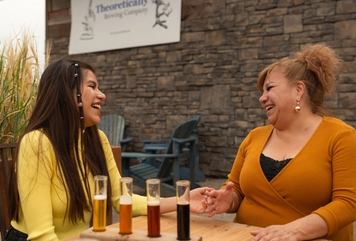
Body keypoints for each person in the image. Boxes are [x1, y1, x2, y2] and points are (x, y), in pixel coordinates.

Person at [6, 59, 208, 241]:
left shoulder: (97, 140)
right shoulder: (37, 143)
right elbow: (41, 236)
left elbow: (121, 199)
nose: (102, 96)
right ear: (69, 93)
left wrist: (184, 199)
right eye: (92, 86)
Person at [203, 44, 356, 241]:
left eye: (269, 88)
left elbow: (349, 203)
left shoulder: (341, 137)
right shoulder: (254, 136)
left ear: (299, 90)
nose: (261, 98)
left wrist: (295, 230)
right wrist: (227, 200)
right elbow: (236, 189)